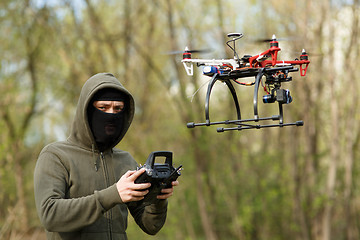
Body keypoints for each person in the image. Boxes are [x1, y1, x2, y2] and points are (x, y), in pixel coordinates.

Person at [34, 72, 179, 239]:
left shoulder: (125, 160)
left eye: (118, 109)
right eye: (103, 108)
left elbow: (150, 226)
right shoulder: (56, 156)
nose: (111, 114)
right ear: (87, 110)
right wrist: (112, 195)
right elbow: (50, 215)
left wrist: (158, 197)